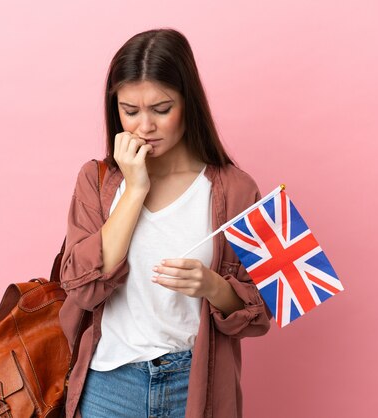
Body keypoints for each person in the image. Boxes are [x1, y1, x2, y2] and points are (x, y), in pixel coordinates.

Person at [58, 27, 272, 418]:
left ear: (189, 104)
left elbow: (260, 313)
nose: (144, 127)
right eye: (130, 111)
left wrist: (214, 286)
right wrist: (136, 187)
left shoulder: (236, 189)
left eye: (161, 109)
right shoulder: (97, 180)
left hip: (194, 384)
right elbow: (83, 288)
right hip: (108, 385)